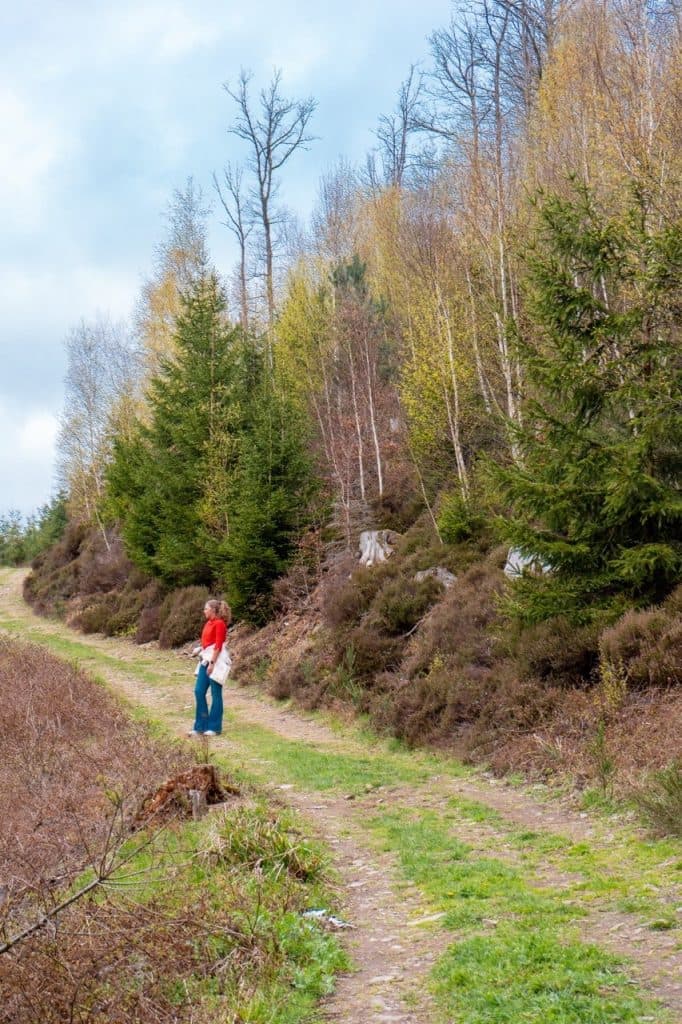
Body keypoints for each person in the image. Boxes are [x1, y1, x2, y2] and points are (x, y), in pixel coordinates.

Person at [189, 598, 231, 737]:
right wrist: (200, 648)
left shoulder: (219, 624)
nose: (204, 611)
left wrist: (212, 664)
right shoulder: (208, 623)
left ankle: (214, 727)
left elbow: (218, 645)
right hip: (205, 659)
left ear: (213, 610)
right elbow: (209, 642)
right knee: (199, 691)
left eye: (206, 608)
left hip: (215, 662)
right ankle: (200, 726)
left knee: (215, 693)